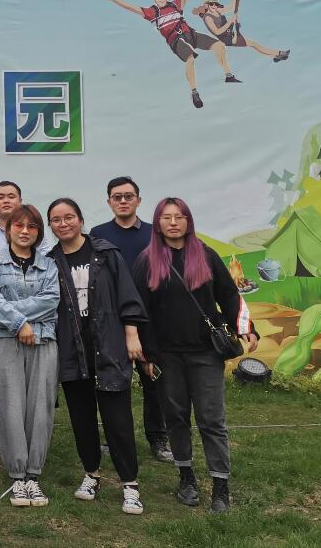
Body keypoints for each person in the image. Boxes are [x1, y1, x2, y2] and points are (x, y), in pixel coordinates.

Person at [134, 197, 258, 514]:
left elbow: (229, 295)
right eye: (166, 217)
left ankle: (220, 487)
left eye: (179, 217)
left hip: (205, 354)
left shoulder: (205, 255)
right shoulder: (147, 261)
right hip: (167, 358)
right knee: (176, 419)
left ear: (188, 221)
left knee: (211, 420)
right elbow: (141, 313)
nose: (173, 222)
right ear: (157, 223)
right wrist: (147, 357)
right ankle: (186, 479)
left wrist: (247, 327)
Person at [47, 197, 150, 516]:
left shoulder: (105, 253)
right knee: (81, 418)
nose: (63, 224)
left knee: (118, 418)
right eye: (56, 220)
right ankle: (91, 474)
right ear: (50, 226)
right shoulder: (50, 261)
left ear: (80, 220)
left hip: (109, 346)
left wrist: (131, 335)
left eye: (69, 217)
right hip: (71, 349)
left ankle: (130, 484)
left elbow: (127, 295)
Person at [0, 204, 59, 508]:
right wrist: (19, 324)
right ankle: (17, 476)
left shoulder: (49, 265)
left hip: (43, 341)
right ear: (9, 229)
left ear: (38, 232)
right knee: (10, 406)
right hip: (4, 342)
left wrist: (18, 319)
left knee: (40, 407)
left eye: (32, 226)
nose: (25, 231)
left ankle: (34, 475)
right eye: (19, 225)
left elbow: (51, 300)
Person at [89, 176, 173, 463]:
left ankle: (158, 437)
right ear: (109, 202)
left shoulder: (154, 234)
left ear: (139, 200)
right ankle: (113, 437)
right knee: (112, 383)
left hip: (151, 319)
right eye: (117, 197)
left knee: (155, 382)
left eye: (128, 196)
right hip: (112, 320)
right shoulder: (98, 234)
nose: (123, 201)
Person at [101, 0, 239, 109]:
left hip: (190, 33)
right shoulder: (152, 12)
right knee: (190, 59)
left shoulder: (175, 5)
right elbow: (130, 7)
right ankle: (194, 92)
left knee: (219, 46)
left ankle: (228, 75)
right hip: (176, 40)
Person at [193, 0, 289, 62]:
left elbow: (231, 7)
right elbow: (217, 32)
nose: (214, 6)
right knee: (254, 44)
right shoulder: (208, 18)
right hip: (228, 39)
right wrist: (231, 21)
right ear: (206, 5)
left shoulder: (217, 10)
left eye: (216, 4)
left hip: (231, 33)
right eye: (211, 4)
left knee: (254, 45)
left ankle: (276, 55)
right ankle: (278, 53)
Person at [0, 181, 54, 263]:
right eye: (1, 197)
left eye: (11, 197)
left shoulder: (34, 230)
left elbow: (46, 260)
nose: (6, 201)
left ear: (20, 201)